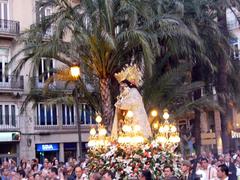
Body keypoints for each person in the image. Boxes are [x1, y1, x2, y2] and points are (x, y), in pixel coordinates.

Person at [112, 64, 152, 139]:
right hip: (128, 120)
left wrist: (120, 103)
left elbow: (130, 103)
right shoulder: (127, 94)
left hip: (136, 120)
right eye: (121, 87)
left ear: (128, 85)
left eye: (123, 86)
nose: (122, 89)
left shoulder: (134, 92)